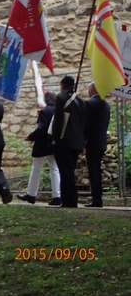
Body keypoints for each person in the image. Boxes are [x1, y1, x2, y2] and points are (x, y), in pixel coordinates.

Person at [17, 92, 61, 205]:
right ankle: (57, 196)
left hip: (42, 144)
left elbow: (42, 128)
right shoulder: (58, 111)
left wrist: (30, 137)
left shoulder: (44, 111)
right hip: (53, 143)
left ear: (46, 100)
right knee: (54, 169)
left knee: (36, 168)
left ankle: (31, 194)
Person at [52, 75, 85, 208]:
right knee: (69, 171)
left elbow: (58, 120)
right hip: (77, 142)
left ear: (62, 86)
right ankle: (72, 200)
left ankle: (68, 201)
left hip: (64, 140)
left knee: (65, 172)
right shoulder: (81, 101)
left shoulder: (61, 98)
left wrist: (54, 138)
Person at [84, 82, 110, 208]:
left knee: (93, 171)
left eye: (89, 89)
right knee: (97, 171)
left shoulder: (89, 104)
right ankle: (98, 198)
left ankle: (96, 199)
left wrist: (83, 141)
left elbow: (86, 125)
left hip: (92, 142)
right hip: (101, 141)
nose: (88, 91)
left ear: (92, 89)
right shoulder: (106, 104)